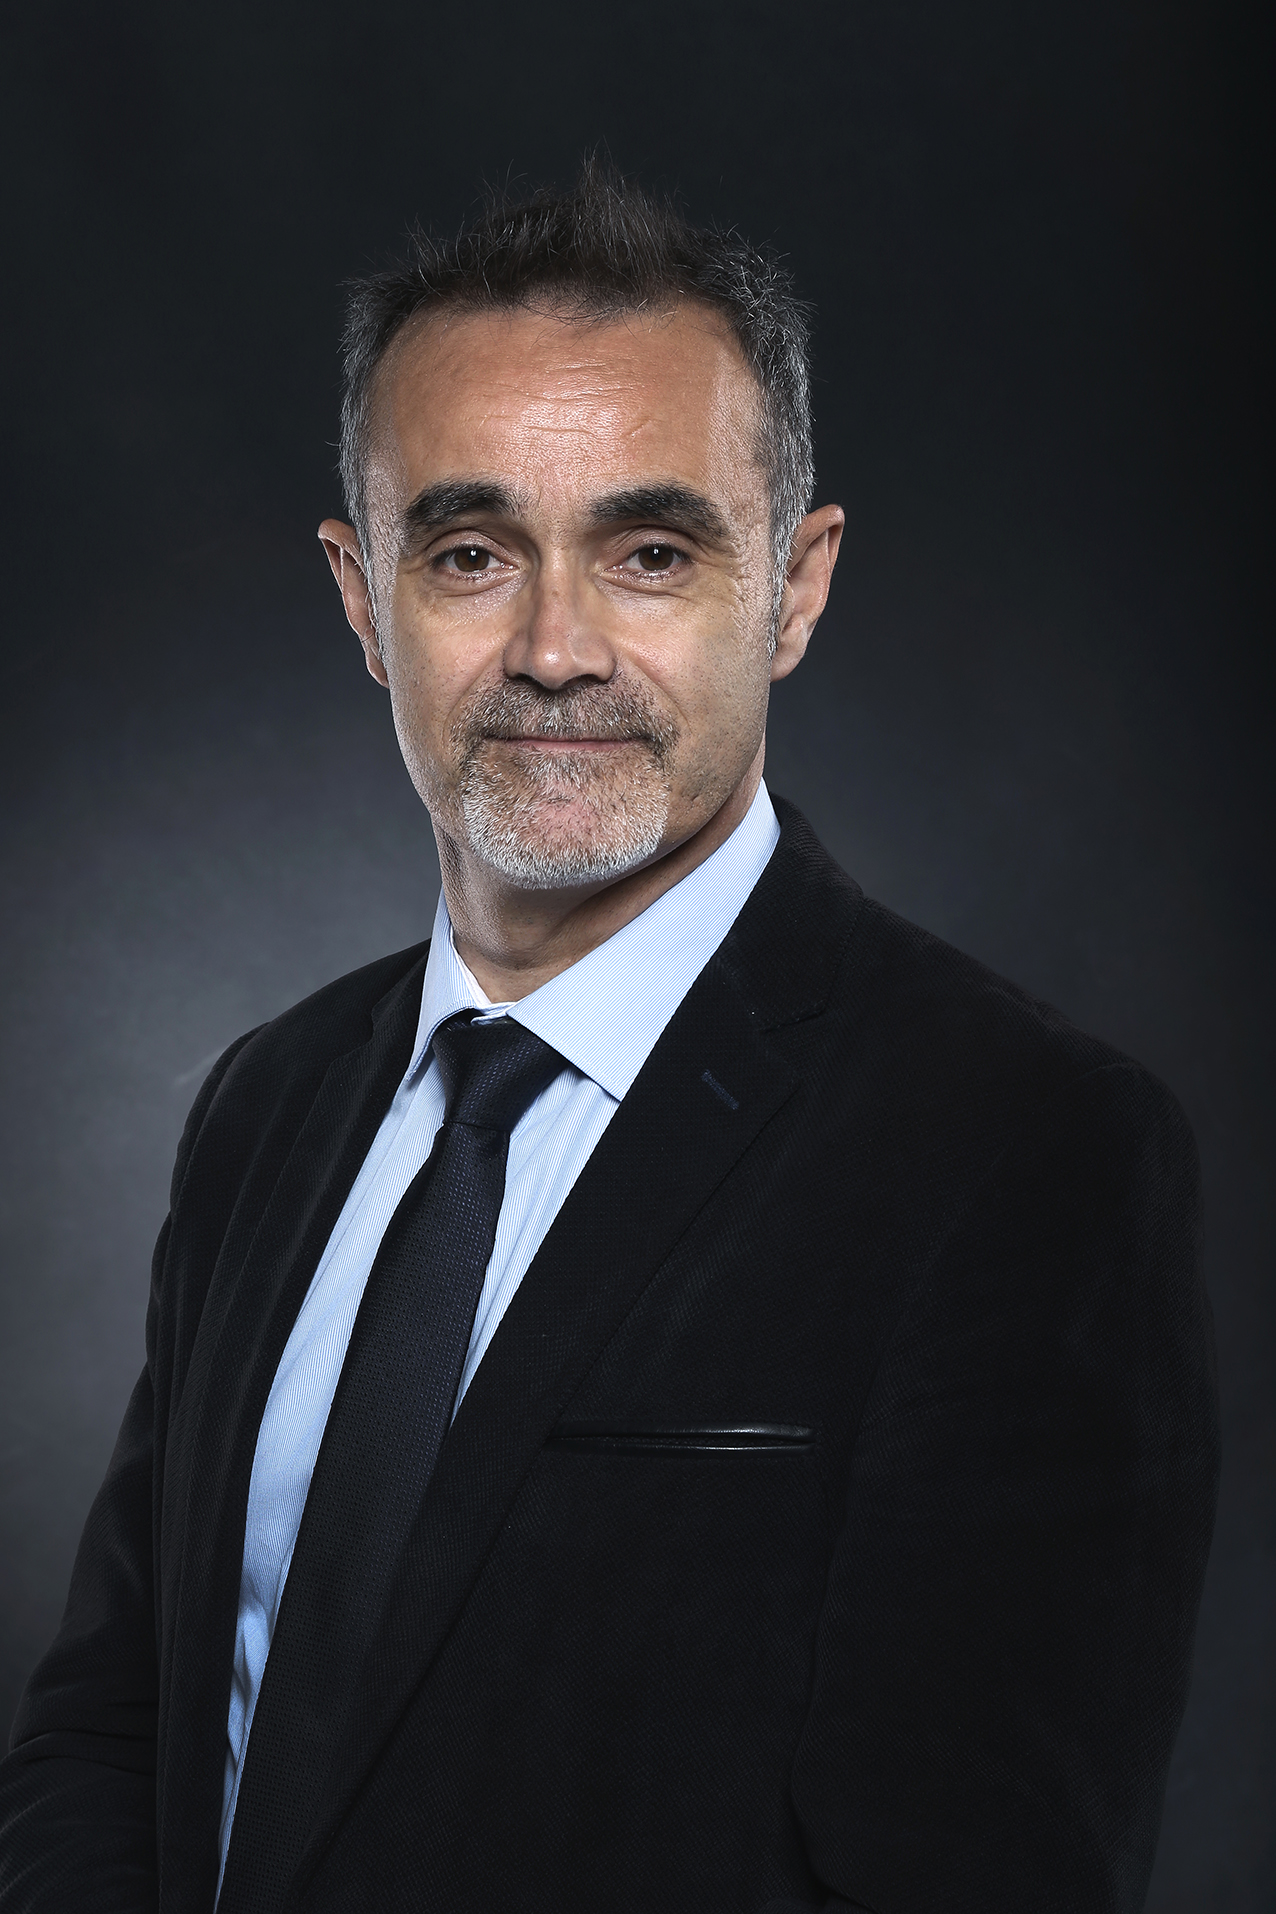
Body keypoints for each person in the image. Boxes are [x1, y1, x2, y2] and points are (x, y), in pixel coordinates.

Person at [0, 163, 1219, 1914]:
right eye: (471, 553)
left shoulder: (1025, 1153)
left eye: (652, 552)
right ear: (361, 598)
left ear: (793, 588)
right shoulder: (268, 1102)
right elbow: (116, 1723)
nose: (556, 648)